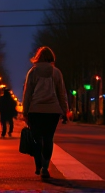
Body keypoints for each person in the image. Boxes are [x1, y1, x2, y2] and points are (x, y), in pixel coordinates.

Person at [22, 46, 69, 179]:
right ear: (51, 58)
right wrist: (64, 110)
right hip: (52, 111)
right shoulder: (56, 73)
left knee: (37, 139)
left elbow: (27, 94)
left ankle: (38, 164)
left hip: (35, 110)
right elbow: (61, 93)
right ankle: (45, 167)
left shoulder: (32, 72)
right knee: (48, 138)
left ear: (38, 57)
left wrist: (25, 111)